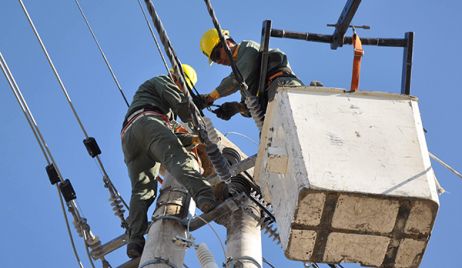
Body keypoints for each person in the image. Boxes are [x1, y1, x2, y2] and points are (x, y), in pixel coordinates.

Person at [121, 64, 218, 258]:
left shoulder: (156, 104)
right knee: (178, 159)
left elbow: (168, 136)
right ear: (179, 80)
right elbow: (181, 105)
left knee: (143, 191)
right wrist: (196, 118)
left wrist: (193, 140)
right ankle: (205, 197)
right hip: (147, 123)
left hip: (130, 137)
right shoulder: (163, 81)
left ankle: (135, 240)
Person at [198, 28, 305, 120]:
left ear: (227, 43)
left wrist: (210, 97)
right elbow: (251, 107)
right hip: (272, 107)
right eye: (215, 60)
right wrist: (237, 108)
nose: (219, 61)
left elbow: (235, 80)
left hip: (284, 88)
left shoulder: (248, 48)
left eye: (217, 55)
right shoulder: (242, 77)